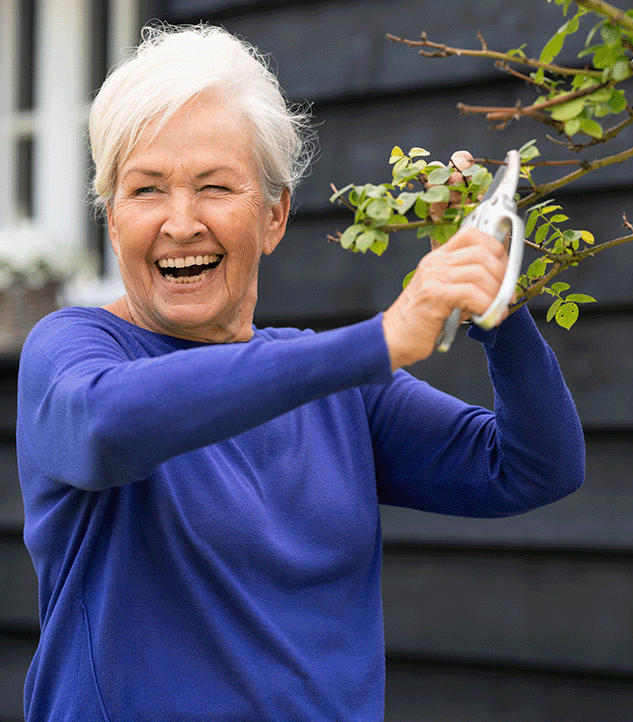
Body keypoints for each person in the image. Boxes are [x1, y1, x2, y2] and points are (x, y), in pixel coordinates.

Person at [16, 24, 584, 722]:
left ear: (274, 215)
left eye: (215, 186)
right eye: (146, 190)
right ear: (112, 222)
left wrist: (493, 295)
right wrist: (378, 341)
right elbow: (107, 426)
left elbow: (533, 467)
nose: (180, 221)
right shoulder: (73, 350)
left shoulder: (335, 389)